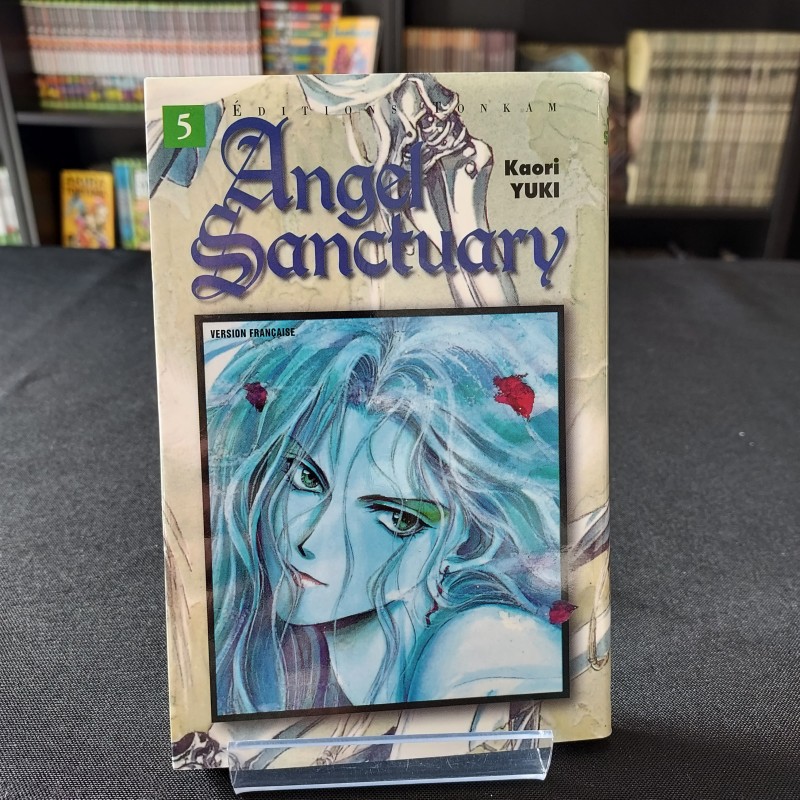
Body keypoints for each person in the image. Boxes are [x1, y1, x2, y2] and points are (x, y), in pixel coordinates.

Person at [206, 312, 565, 716]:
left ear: (468, 542)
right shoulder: (275, 655)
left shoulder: (481, 647)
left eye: (398, 519)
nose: (310, 541)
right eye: (306, 478)